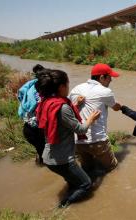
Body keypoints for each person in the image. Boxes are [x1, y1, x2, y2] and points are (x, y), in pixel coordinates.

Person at [35, 68, 101, 208]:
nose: (69, 87)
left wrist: (75, 104)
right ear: (61, 87)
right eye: (68, 84)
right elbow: (81, 129)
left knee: (73, 181)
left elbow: (60, 118)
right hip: (63, 160)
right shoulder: (62, 107)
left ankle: (69, 192)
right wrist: (91, 118)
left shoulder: (47, 102)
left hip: (48, 157)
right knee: (86, 184)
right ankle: (63, 207)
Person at [68, 63, 121, 174]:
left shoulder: (76, 89)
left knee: (87, 169)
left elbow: (68, 107)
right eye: (109, 78)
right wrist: (119, 106)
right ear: (102, 77)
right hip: (98, 140)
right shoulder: (105, 91)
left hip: (78, 140)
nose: (111, 80)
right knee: (112, 168)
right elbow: (115, 107)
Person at [17, 64, 46, 165]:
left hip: (29, 127)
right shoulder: (42, 91)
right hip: (37, 128)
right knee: (43, 149)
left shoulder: (30, 88)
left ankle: (40, 161)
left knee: (40, 149)